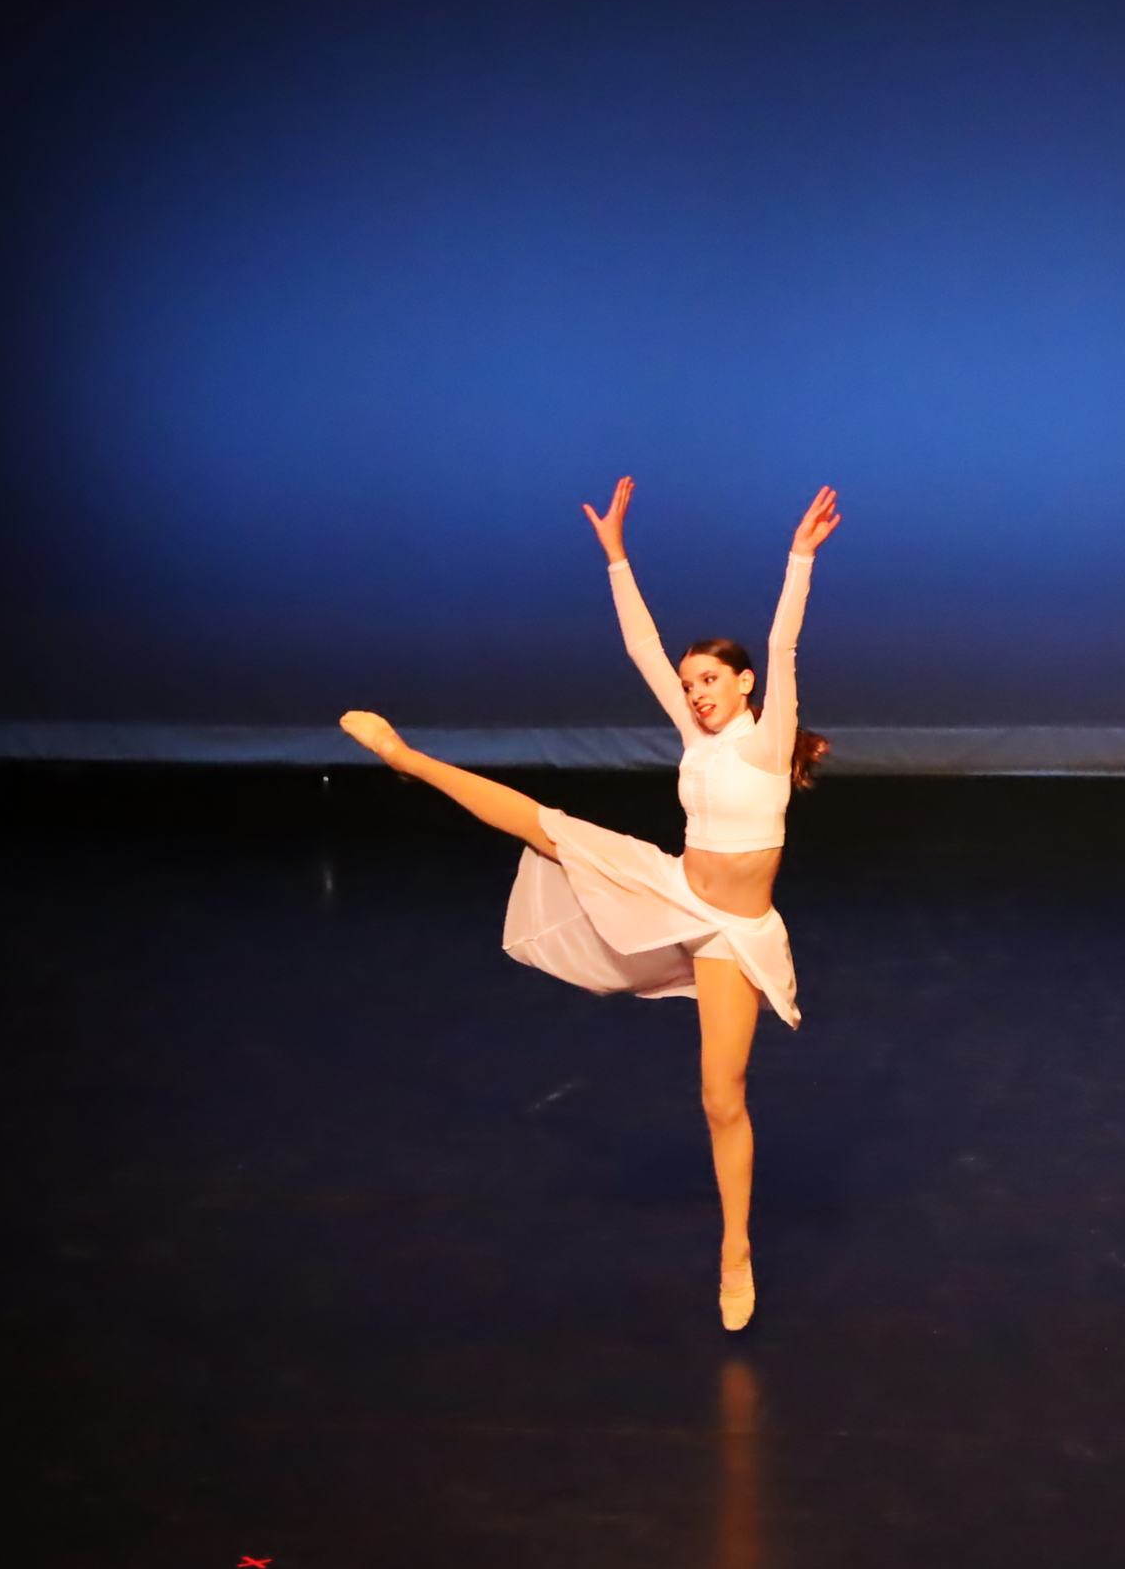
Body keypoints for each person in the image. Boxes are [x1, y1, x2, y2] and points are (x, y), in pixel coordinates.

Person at [338, 477, 840, 1331]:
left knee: (721, 1096)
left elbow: (783, 642)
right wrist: (615, 555)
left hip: (734, 932)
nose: (694, 692)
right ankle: (406, 757)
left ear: (744, 683)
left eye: (709, 679)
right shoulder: (694, 737)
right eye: (689, 683)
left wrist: (798, 559)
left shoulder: (767, 738)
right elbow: (642, 647)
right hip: (674, 888)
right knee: (549, 828)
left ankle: (735, 1250)